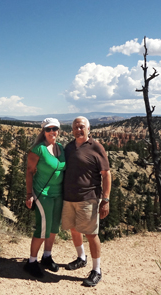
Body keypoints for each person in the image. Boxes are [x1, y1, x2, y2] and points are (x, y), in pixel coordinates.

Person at [62, 116, 111, 287]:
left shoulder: (96, 147)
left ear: (88, 129)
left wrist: (105, 199)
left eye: (82, 126)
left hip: (88, 198)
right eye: (75, 126)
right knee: (74, 230)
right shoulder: (68, 148)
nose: (78, 129)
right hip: (69, 198)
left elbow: (106, 174)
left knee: (91, 234)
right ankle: (81, 258)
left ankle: (97, 270)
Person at [24, 117, 66, 278]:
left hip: (58, 194)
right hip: (43, 193)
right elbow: (29, 172)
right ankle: (31, 262)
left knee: (54, 227)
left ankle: (46, 256)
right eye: (48, 129)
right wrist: (29, 195)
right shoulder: (38, 149)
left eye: (54, 128)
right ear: (43, 131)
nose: (51, 132)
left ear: (58, 131)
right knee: (43, 228)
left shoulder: (60, 148)